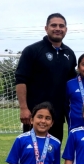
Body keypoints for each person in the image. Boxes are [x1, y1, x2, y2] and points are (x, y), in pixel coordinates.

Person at [15, 13, 76, 142]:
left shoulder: (69, 54)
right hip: (35, 114)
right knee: (32, 152)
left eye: (61, 26)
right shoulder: (32, 50)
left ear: (66, 29)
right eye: (53, 25)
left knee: (53, 152)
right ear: (46, 28)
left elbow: (75, 81)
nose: (58, 28)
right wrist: (24, 108)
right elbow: (21, 80)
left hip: (57, 116)